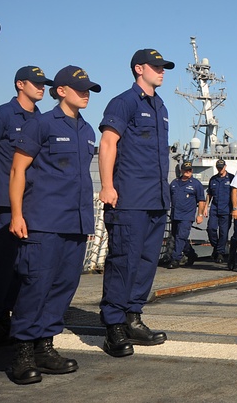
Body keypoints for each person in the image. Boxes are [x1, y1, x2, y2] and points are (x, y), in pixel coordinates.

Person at [6, 66, 101, 385]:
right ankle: (21, 352)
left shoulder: (88, 130)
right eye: (79, 88)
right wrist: (17, 215)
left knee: (63, 287)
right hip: (43, 221)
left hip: (76, 223)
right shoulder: (40, 124)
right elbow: (18, 170)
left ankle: (45, 347)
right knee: (36, 286)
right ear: (60, 90)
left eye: (88, 89)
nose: (85, 93)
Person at [98, 48, 174, 358]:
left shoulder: (161, 106)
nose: (162, 71)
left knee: (145, 262)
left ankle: (133, 316)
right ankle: (113, 325)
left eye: (163, 67)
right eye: (156, 66)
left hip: (156, 200)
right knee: (123, 262)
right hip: (129, 198)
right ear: (138, 69)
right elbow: (108, 143)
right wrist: (106, 185)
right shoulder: (124, 102)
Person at [0, 66, 53, 347]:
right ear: (20, 84)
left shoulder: (42, 120)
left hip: (28, 205)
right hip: (2, 205)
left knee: (20, 268)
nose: (42, 87)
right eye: (36, 83)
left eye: (44, 84)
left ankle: (4, 318)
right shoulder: (3, 115)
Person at [166, 162, 205, 269]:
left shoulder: (196, 184)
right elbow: (168, 197)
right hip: (175, 215)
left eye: (190, 170)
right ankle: (191, 254)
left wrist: (200, 215)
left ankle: (175, 259)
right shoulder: (174, 183)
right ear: (182, 170)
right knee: (177, 237)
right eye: (186, 170)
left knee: (180, 237)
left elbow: (201, 200)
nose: (188, 172)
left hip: (187, 216)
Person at [206, 159, 233, 263]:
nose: (220, 169)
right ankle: (217, 247)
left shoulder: (231, 178)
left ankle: (220, 253)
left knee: (223, 232)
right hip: (214, 208)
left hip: (226, 209)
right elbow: (209, 194)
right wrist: (205, 207)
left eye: (221, 167)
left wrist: (235, 208)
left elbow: (235, 194)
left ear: (225, 166)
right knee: (211, 229)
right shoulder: (213, 179)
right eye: (218, 167)